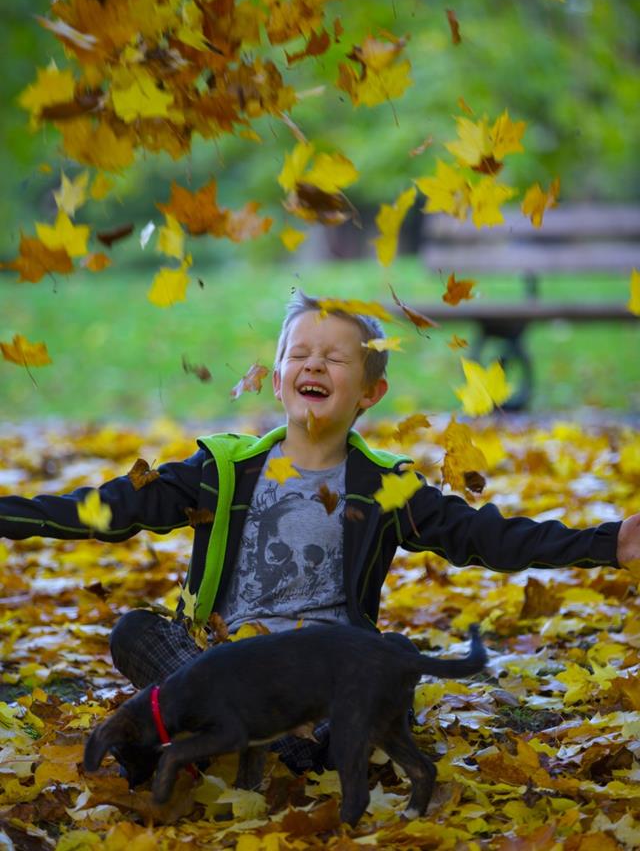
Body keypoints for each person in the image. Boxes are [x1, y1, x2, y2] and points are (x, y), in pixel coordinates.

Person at [1, 291, 639, 777]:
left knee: (389, 663)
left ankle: (247, 742)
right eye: (299, 355)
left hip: (321, 678)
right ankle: (267, 743)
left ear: (370, 392)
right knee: (135, 632)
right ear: (277, 378)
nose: (314, 364)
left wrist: (609, 542)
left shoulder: (386, 484)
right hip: (221, 666)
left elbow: (486, 538)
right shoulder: (223, 471)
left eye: (335, 359)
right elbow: (108, 508)